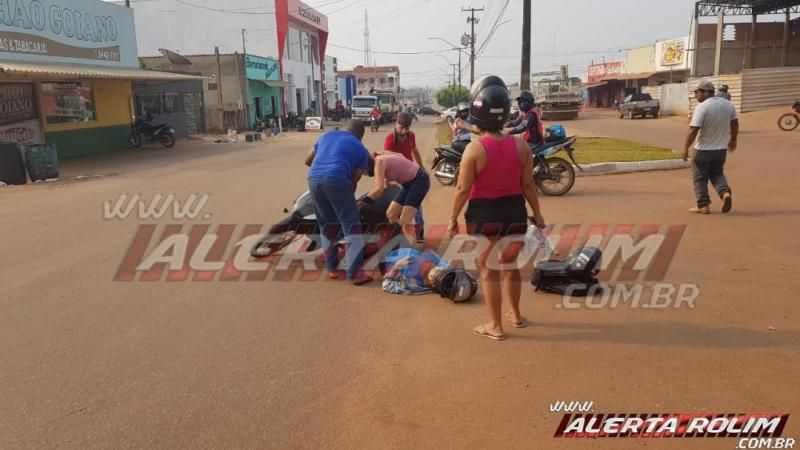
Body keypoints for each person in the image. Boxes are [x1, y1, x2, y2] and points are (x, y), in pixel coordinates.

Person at [448, 76, 546, 342]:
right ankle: (515, 315)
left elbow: (462, 190)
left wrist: (452, 218)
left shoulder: (474, 150)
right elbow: (528, 185)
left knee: (489, 270)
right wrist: (538, 215)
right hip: (514, 212)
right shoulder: (522, 145)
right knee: (510, 265)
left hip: (483, 216)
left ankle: (495, 325)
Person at [305, 120, 374, 285]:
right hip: (337, 180)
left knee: (328, 226)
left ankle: (332, 269)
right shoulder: (360, 148)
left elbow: (308, 160)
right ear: (360, 135)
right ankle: (355, 273)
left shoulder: (326, 135)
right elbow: (355, 178)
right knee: (352, 227)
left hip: (313, 179)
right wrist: (348, 197)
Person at [683, 80, 738, 215]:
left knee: (699, 177)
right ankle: (724, 193)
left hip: (702, 150)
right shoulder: (728, 105)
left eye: (697, 92)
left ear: (706, 92)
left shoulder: (702, 107)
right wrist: (733, 140)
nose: (696, 95)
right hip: (720, 150)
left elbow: (694, 129)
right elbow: (735, 123)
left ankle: (703, 205)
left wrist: (685, 148)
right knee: (717, 173)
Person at [359, 152, 430, 245]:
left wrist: (361, 203)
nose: (365, 174)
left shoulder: (378, 162)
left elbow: (378, 189)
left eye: (363, 171)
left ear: (366, 166)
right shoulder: (381, 159)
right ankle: (399, 240)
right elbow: (400, 156)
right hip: (407, 184)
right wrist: (388, 182)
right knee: (391, 215)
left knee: (405, 219)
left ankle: (409, 249)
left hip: (419, 181)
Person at [384, 112, 426, 241]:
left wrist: (422, 167)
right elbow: (385, 160)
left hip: (412, 176)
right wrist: (387, 182)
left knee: (416, 207)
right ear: (396, 124)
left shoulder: (411, 136)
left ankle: (419, 233)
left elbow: (415, 151)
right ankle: (397, 234)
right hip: (399, 177)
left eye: (406, 128)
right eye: (401, 127)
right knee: (396, 209)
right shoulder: (390, 138)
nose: (403, 131)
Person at [381, 248, 477, 303]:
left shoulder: (413, 284)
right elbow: (447, 266)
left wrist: (396, 267)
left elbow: (386, 284)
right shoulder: (445, 269)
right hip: (408, 254)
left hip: (394, 261)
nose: (437, 271)